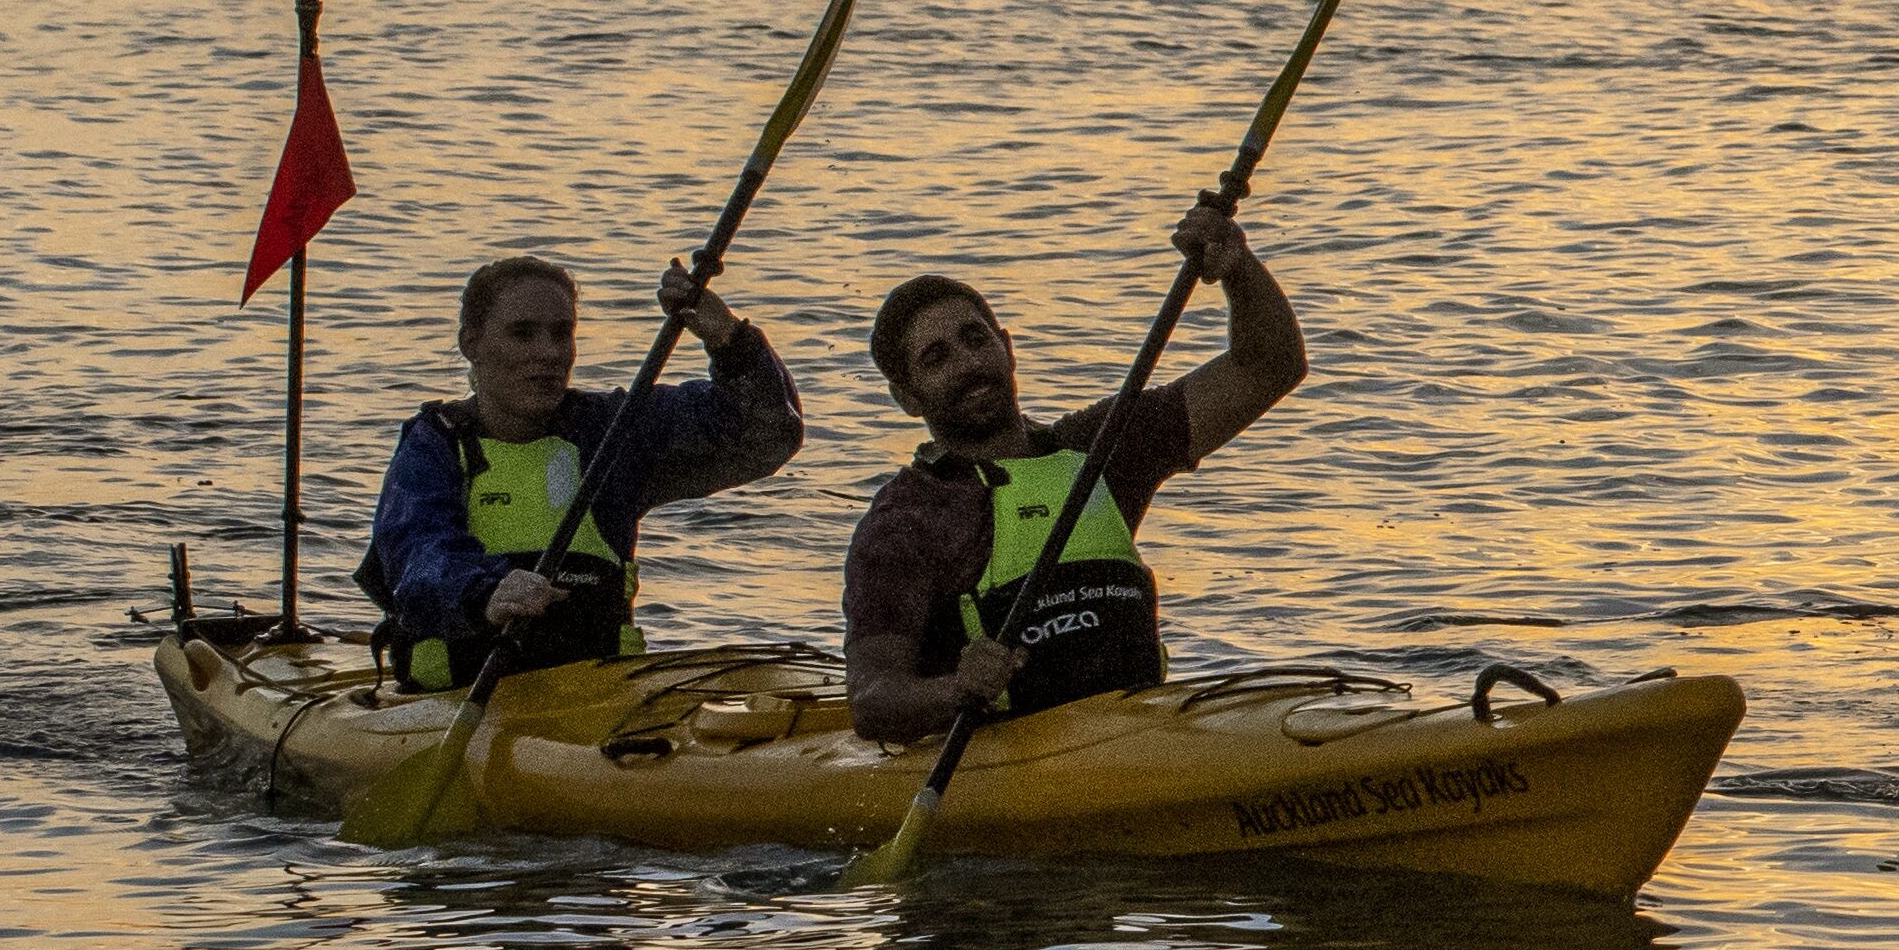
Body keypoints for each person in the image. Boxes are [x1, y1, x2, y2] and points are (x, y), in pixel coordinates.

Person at [838, 192, 1306, 740]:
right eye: (936, 358)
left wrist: (1237, 269)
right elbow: (872, 703)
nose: (968, 363)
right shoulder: (907, 521)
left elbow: (1269, 366)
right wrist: (955, 688)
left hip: (1135, 732)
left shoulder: (1103, 445)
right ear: (906, 398)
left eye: (975, 339)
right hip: (1011, 760)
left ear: (1008, 348)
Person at [359, 250, 805, 690]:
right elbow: (416, 556)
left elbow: (768, 434)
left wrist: (728, 339)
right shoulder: (433, 446)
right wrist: (486, 593)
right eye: (522, 334)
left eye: (562, 333)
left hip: (598, 700)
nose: (549, 353)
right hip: (460, 696)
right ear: (471, 344)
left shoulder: (612, 432)